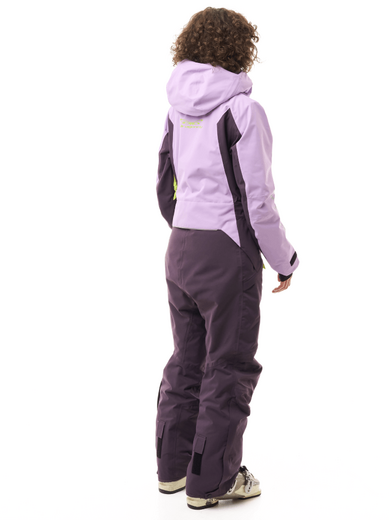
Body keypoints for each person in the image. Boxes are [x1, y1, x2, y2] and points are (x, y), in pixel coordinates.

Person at [154, 7, 300, 510]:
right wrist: (284, 259)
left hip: (181, 247)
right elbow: (259, 200)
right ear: (241, 48)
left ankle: (173, 470)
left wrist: (187, 230)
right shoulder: (242, 111)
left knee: (186, 359)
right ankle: (212, 482)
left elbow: (164, 185)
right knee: (228, 365)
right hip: (226, 251)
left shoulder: (175, 109)